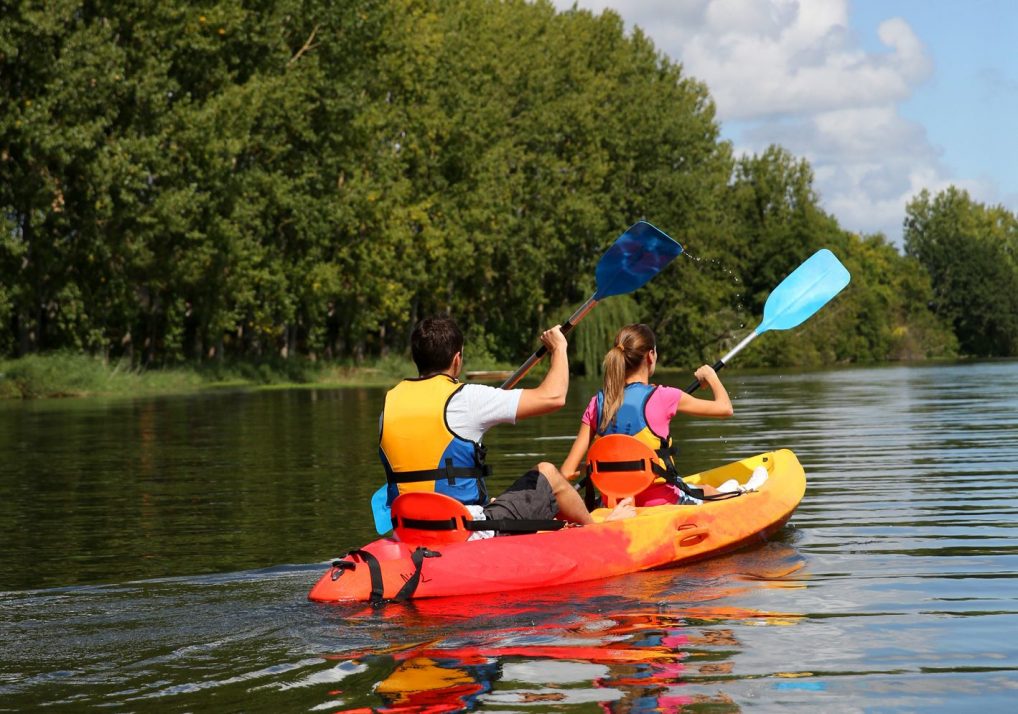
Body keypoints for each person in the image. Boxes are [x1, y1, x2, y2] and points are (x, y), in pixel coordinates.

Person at [379, 316, 635, 539]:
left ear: (416, 359)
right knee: (546, 474)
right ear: (457, 359)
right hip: (461, 529)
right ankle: (598, 530)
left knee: (490, 498)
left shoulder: (389, 404)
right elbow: (554, 396)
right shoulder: (467, 398)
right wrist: (559, 347)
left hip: (406, 530)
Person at [560, 323, 767, 506]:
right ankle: (743, 491)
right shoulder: (664, 396)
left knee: (701, 488)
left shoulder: (597, 403)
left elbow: (567, 472)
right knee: (708, 493)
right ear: (651, 356)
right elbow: (725, 409)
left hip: (614, 504)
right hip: (660, 501)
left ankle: (727, 487)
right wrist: (711, 377)